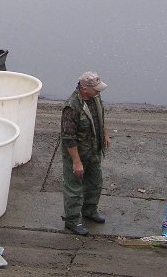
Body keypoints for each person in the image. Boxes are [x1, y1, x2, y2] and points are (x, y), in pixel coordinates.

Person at [60, 72, 110, 235]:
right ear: (84, 89)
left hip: (93, 151)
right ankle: (72, 220)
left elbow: (100, 116)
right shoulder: (72, 107)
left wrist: (105, 134)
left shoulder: (95, 97)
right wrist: (76, 162)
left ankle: (89, 211)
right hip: (77, 154)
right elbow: (68, 137)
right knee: (74, 189)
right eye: (96, 89)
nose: (99, 91)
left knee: (95, 183)